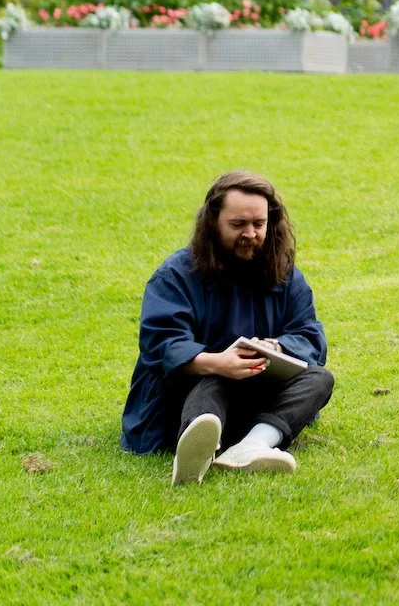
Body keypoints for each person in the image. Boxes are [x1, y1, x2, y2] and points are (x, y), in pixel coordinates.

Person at [121, 171, 335, 485]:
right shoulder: (175, 275)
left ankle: (253, 445)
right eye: (238, 225)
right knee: (217, 380)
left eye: (258, 224)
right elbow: (161, 343)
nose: (250, 234)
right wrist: (217, 363)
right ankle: (195, 450)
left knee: (320, 378)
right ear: (212, 223)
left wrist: (277, 348)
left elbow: (311, 338)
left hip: (256, 396)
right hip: (185, 400)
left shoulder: (286, 274)